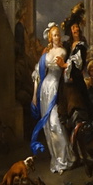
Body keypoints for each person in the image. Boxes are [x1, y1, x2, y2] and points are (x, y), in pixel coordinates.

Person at [31, 23, 75, 173]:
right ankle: (56, 159)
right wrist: (34, 95)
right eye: (54, 35)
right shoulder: (46, 54)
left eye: (58, 35)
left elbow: (65, 69)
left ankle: (64, 159)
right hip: (44, 90)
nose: (57, 37)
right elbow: (37, 74)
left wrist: (62, 65)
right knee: (48, 127)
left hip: (56, 88)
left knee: (55, 124)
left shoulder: (62, 51)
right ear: (50, 37)